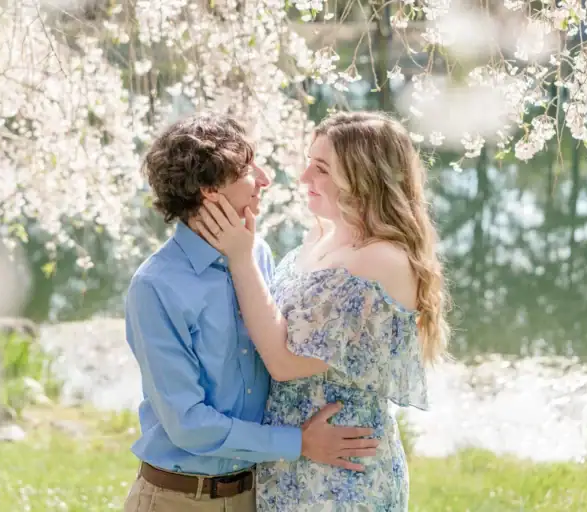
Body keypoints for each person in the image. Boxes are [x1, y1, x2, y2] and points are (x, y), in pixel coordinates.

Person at [192, 110, 450, 511]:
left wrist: (241, 258)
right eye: (310, 162)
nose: (304, 178)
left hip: (339, 474)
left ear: (365, 177)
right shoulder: (322, 236)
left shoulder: (382, 260)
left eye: (322, 169)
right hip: (294, 459)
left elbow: (284, 361)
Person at [123, 112, 380, 512]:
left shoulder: (255, 255)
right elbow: (188, 423)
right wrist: (298, 442)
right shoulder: (156, 286)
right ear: (209, 191)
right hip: (179, 499)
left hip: (255, 493)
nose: (265, 178)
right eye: (246, 169)